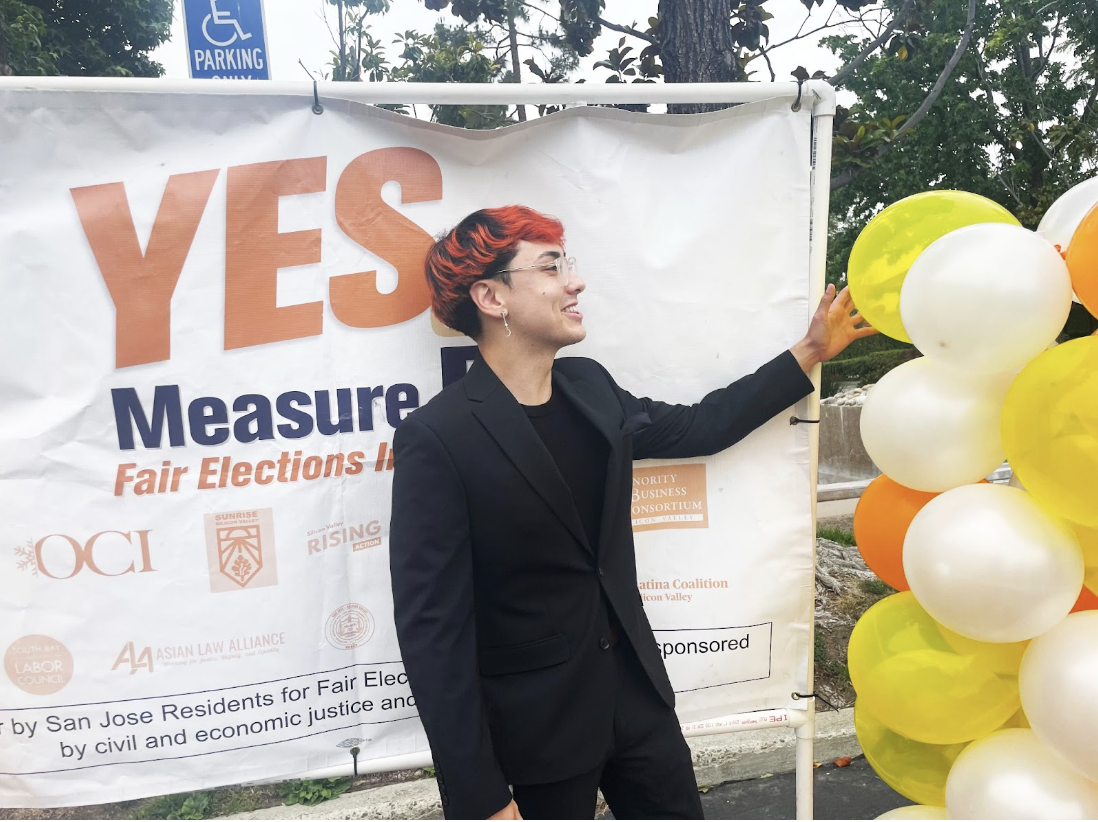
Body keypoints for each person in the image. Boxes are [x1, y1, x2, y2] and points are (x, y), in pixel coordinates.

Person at [389, 206, 875, 820]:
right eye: (550, 266)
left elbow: (701, 425)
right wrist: (480, 796)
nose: (575, 282)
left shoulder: (590, 389)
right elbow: (434, 634)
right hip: (533, 733)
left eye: (568, 263)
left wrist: (809, 351)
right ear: (491, 296)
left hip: (637, 703)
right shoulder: (438, 437)